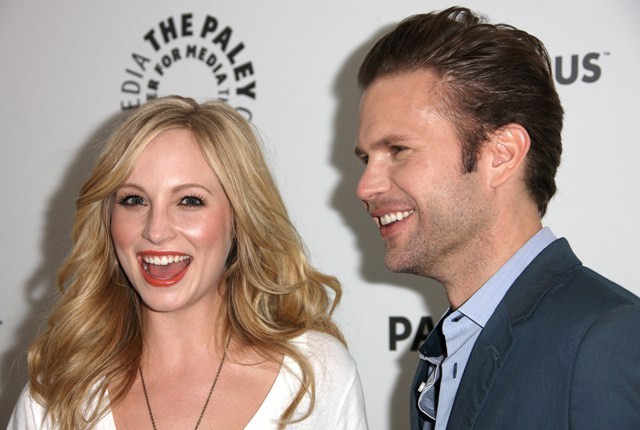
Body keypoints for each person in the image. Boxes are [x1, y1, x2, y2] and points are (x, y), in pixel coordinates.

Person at [354, 6, 640, 430]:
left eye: (398, 150)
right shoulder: (447, 350)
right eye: (366, 159)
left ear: (502, 155)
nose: (365, 187)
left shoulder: (606, 339)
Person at [9, 95, 368, 429]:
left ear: (240, 220)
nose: (156, 230)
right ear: (107, 219)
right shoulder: (55, 398)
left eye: (190, 201)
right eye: (134, 200)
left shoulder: (316, 378)